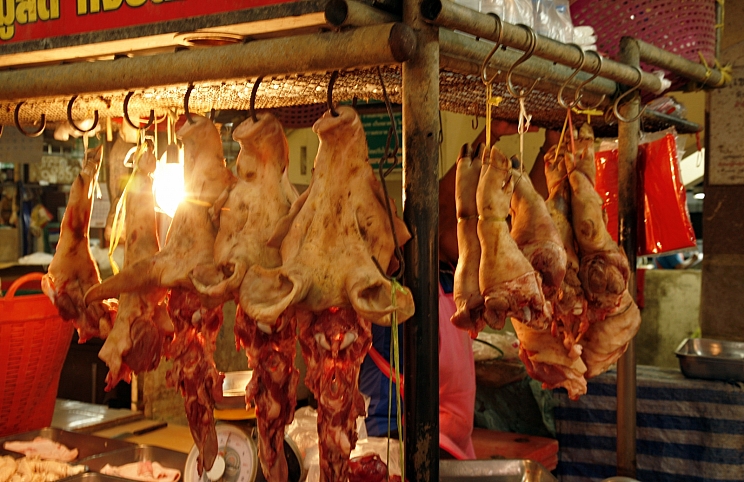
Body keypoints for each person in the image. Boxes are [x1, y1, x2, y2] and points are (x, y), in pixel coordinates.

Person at [359, 121, 557, 459]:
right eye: (466, 222)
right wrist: (484, 140)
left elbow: (526, 217)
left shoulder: (452, 277)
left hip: (454, 445)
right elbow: (443, 204)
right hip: (402, 447)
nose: (477, 235)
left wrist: (541, 144)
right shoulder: (398, 292)